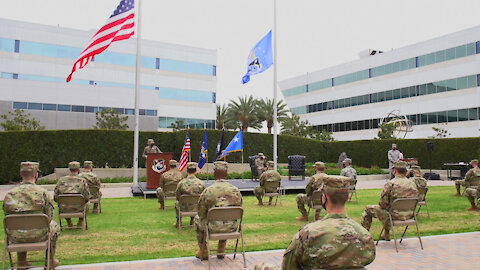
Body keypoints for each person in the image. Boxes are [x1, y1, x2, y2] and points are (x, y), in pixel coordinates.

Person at [255, 175, 376, 270]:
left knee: (260, 266)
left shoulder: (308, 233)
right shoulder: (364, 235)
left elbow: (289, 266)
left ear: (324, 198)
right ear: (348, 197)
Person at [3, 162, 61, 268]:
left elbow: (7, 215)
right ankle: (50, 260)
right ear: (36, 175)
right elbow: (49, 216)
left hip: (16, 235)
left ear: (21, 174)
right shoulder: (42, 193)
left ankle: (21, 261)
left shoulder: (10, 194)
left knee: (19, 223)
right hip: (39, 234)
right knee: (54, 226)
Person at [194, 161, 243, 261]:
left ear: (214, 174)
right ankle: (221, 249)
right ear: (226, 174)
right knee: (226, 217)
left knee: (197, 219)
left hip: (212, 228)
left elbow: (201, 212)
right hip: (231, 227)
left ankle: (203, 251)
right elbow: (239, 208)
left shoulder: (208, 191)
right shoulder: (236, 191)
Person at [361, 161, 418, 240]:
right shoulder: (413, 184)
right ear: (405, 172)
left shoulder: (390, 184)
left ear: (394, 171)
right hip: (409, 214)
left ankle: (363, 237)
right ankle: (386, 234)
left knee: (368, 209)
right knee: (387, 210)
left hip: (393, 216)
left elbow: (382, 204)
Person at [54, 161, 90, 229]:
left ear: (69, 169)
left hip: (64, 208)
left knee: (62, 203)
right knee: (88, 203)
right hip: (79, 208)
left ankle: (69, 222)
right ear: (79, 169)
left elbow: (55, 197)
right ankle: (80, 221)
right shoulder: (82, 181)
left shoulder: (61, 180)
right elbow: (87, 197)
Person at [174, 162, 205, 227]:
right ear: (195, 171)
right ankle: (192, 220)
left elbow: (177, 196)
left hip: (184, 207)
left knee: (176, 203)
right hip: (196, 207)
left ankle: (178, 222)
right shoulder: (201, 183)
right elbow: (203, 196)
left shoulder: (181, 183)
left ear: (187, 171)